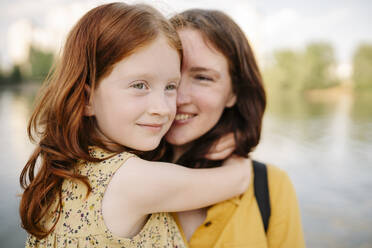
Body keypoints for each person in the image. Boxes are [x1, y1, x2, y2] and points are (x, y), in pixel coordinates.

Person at [19, 3, 252, 247]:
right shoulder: (132, 180)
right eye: (139, 85)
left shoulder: (68, 168)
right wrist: (239, 158)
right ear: (86, 99)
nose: (162, 108)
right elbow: (237, 180)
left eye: (170, 86)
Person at [162, 9, 306, 247]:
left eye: (203, 78)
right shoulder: (107, 172)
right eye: (170, 75)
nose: (179, 97)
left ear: (233, 93)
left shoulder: (270, 187)